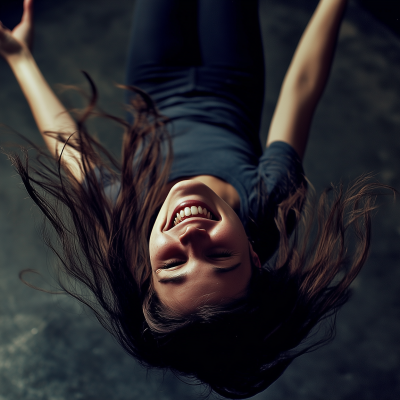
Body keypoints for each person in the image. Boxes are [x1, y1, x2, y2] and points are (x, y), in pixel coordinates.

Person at [0, 0, 392, 398]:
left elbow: (67, 147)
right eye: (220, 257)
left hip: (155, 76)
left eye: (172, 263)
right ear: (255, 258)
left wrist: (20, 59)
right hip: (232, 75)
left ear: (147, 270)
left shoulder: (130, 218)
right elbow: (303, 87)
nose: (191, 239)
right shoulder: (272, 205)